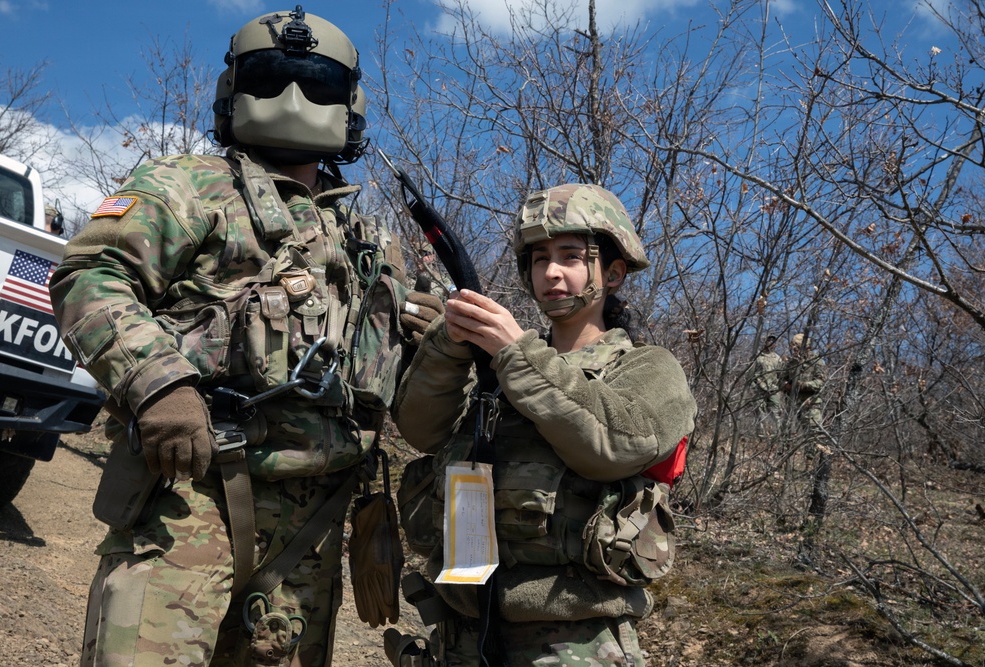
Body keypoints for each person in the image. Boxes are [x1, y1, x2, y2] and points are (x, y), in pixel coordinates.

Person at [49, 7, 442, 666]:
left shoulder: (371, 245)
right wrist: (158, 384)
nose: (293, 98)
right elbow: (90, 274)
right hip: (190, 497)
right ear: (234, 93)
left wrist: (442, 352)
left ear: (348, 107)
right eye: (271, 78)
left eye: (316, 84)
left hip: (312, 534)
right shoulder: (187, 187)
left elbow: (404, 399)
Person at [387, 183, 698, 666]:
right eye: (538, 259)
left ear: (612, 273)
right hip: (461, 633)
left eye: (571, 257)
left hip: (573, 644)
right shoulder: (500, 370)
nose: (551, 272)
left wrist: (515, 353)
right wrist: (448, 345)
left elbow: (608, 443)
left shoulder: (649, 368)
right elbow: (422, 431)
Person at [781, 332, 827, 454]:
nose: (794, 348)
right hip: (792, 402)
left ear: (806, 347)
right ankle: (782, 457)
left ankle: (810, 463)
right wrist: (785, 386)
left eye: (796, 345)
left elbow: (821, 383)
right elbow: (781, 378)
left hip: (810, 403)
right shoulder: (791, 362)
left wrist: (802, 384)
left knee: (813, 435)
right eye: (793, 345)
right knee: (786, 431)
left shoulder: (816, 361)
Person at [750, 334, 783, 431]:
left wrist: (779, 389)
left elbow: (781, 375)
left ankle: (777, 434)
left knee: (776, 412)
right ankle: (761, 435)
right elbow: (750, 375)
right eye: (769, 340)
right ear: (765, 342)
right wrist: (754, 388)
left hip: (773, 389)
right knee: (760, 413)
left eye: (773, 341)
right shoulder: (758, 357)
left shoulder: (778, 358)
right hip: (759, 389)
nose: (771, 343)